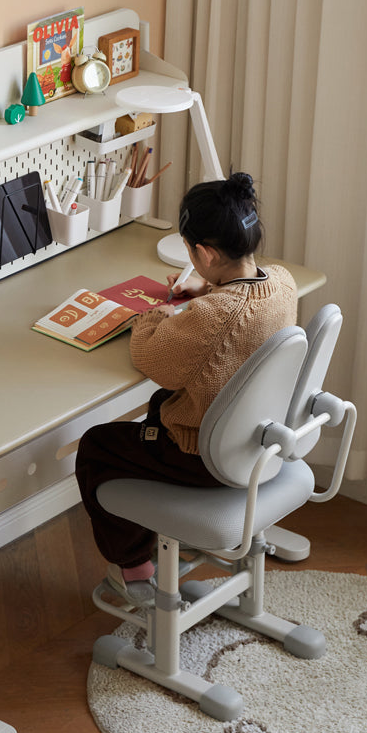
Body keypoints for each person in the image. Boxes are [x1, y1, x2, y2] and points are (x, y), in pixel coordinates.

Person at [75, 172, 298, 606]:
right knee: (156, 411)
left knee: (97, 446)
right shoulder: (283, 284)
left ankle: (134, 567)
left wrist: (156, 313)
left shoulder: (215, 316)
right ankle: (171, 541)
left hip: (205, 458)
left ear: (205, 253)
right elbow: (233, 315)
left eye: (190, 253)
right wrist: (210, 288)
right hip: (257, 444)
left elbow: (150, 355)